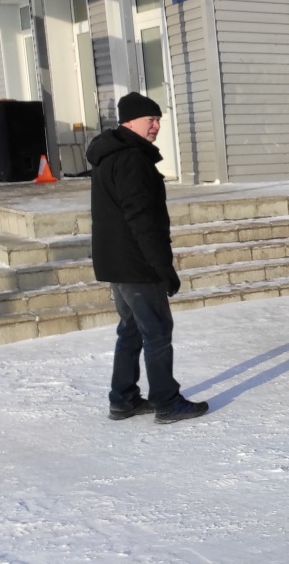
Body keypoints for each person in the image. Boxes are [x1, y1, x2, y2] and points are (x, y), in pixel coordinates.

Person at [87, 92, 208, 423]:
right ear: (129, 121)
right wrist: (161, 266)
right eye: (150, 119)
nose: (156, 125)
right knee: (156, 330)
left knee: (132, 329)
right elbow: (140, 217)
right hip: (137, 262)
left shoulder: (111, 154)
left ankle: (123, 398)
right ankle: (166, 402)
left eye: (158, 120)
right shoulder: (131, 159)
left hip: (118, 260)